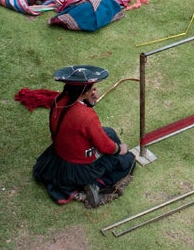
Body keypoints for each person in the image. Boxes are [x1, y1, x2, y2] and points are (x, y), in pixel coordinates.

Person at [32, 65, 136, 208]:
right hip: (78, 167)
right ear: (83, 92)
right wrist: (119, 149)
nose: (95, 92)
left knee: (109, 132)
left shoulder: (59, 100)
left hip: (60, 154)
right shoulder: (86, 116)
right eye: (93, 89)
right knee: (127, 159)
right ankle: (95, 184)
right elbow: (105, 146)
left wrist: (90, 100)